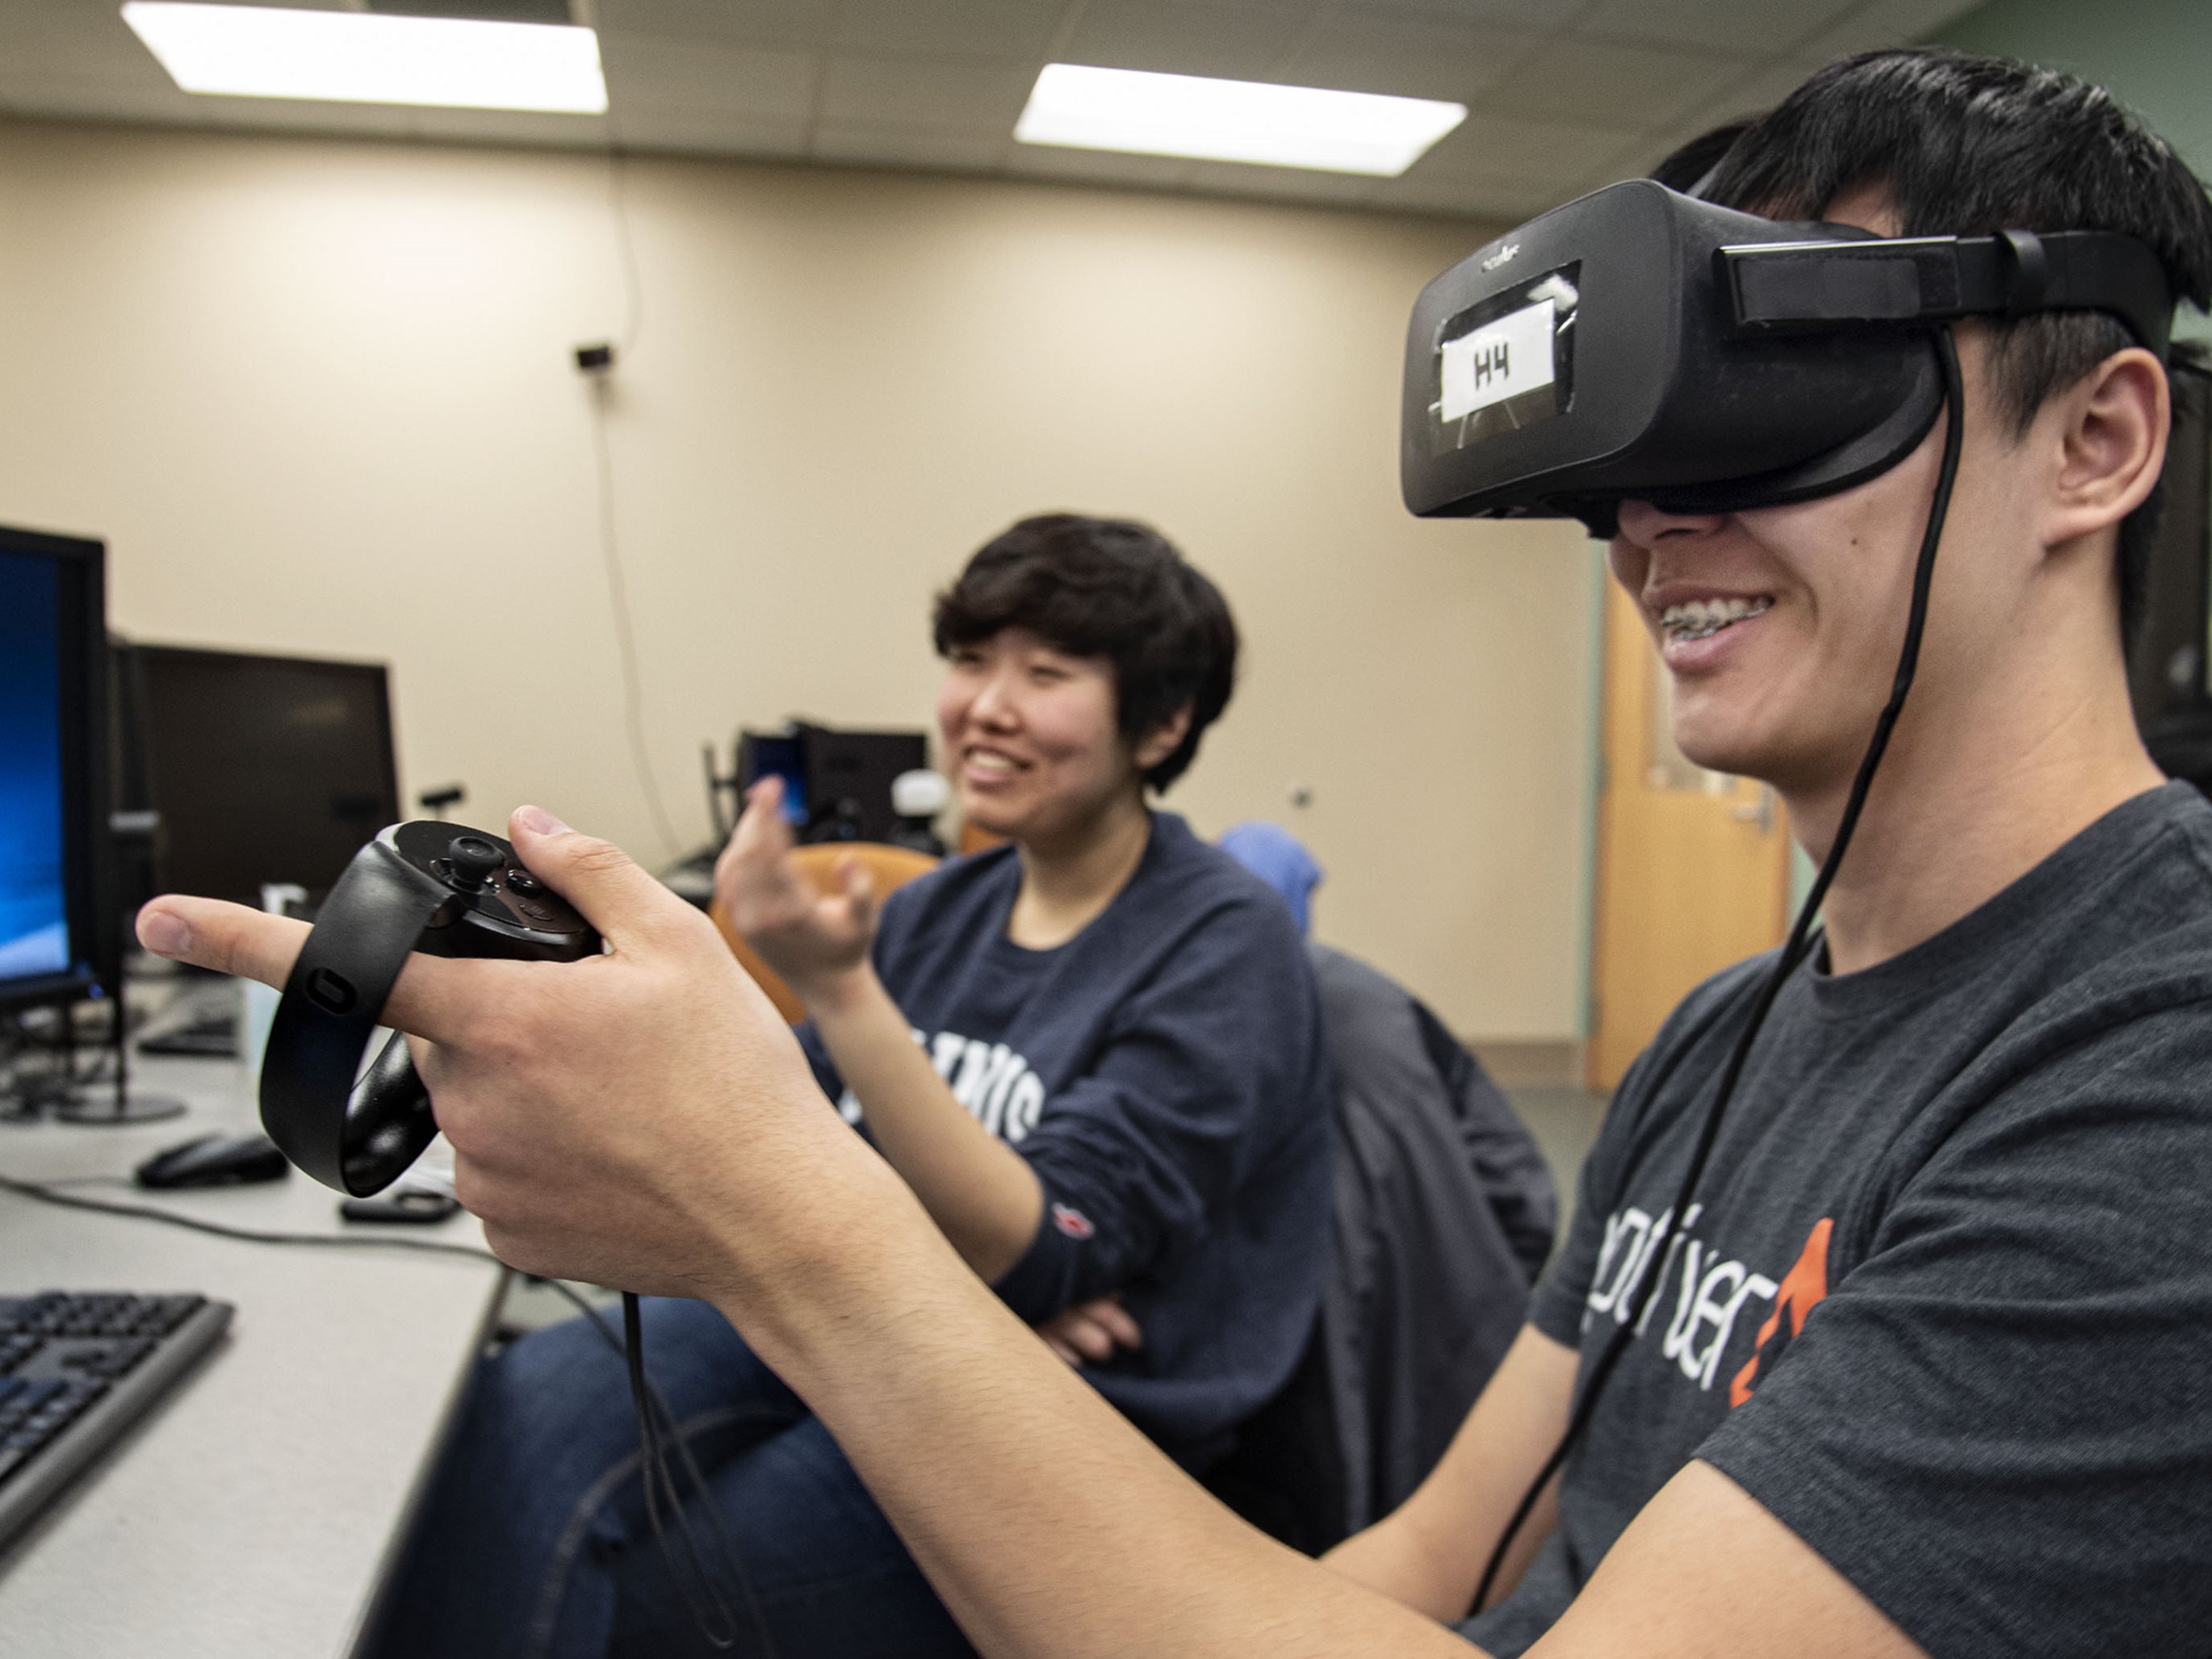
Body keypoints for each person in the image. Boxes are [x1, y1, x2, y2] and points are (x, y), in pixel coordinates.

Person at [145, 47, 2212, 1658]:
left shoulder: (2150, 1084)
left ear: (2095, 440)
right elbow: (1422, 1563)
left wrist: (775, 1204)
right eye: (1646, 452)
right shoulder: (1710, 1047)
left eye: (1781, 397)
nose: (1663, 527)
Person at [366, 513, 1335, 1657]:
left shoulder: (1222, 941)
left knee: (666, 1591)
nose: (986, 704)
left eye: (1048, 672)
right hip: (878, 1304)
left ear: (1162, 724)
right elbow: (797, 1134)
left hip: (1061, 1406)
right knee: (514, 1429)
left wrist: (840, 991)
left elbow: (1045, 1250)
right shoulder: (938, 907)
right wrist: (968, 1264)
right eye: (971, 661)